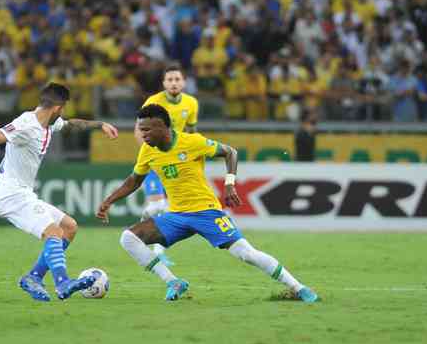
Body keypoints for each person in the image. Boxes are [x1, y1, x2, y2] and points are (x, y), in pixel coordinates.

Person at [97, 104, 318, 303]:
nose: (141, 135)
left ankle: (298, 287)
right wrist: (108, 201)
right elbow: (134, 181)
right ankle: (173, 282)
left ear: (163, 127)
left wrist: (230, 184)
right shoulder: (147, 151)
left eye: (146, 130)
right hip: (176, 215)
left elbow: (231, 152)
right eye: (140, 129)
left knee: (246, 253)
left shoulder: (192, 142)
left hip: (206, 212)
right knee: (128, 237)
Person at [0, 82, 119, 302]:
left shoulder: (48, 124)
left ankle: (33, 278)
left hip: (24, 193)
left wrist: (100, 124)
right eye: (63, 109)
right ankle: (63, 283)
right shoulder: (26, 124)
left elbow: (72, 124)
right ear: (57, 107)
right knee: (53, 232)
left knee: (69, 227)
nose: (63, 114)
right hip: (10, 195)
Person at [138, 64, 199, 258]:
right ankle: (139, 233)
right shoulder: (153, 102)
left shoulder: (191, 103)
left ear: (184, 82)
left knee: (170, 208)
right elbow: (139, 129)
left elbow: (191, 132)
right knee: (157, 206)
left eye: (177, 79)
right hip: (156, 159)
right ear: (164, 83)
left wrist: (194, 153)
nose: (173, 83)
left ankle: (157, 249)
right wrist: (149, 151)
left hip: (178, 160)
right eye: (170, 80)